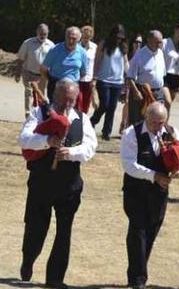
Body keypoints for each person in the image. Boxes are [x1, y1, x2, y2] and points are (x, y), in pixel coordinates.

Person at [18, 80, 97, 288]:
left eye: (71, 100)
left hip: (69, 185)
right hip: (41, 183)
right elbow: (25, 140)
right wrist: (47, 141)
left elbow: (90, 147)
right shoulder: (39, 113)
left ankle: (55, 279)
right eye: (63, 99)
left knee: (64, 232)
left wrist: (71, 153)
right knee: (36, 228)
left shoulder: (82, 119)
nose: (67, 104)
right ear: (55, 96)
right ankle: (28, 260)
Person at [120, 102, 179, 289]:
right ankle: (137, 279)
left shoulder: (171, 131)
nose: (158, 127)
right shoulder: (132, 133)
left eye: (161, 122)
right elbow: (129, 165)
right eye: (154, 123)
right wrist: (154, 176)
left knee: (151, 231)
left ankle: (137, 274)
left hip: (159, 193)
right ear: (146, 117)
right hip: (136, 191)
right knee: (138, 231)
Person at [91, 24, 128, 140]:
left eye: (120, 38)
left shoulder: (123, 47)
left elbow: (126, 63)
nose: (118, 40)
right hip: (103, 79)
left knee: (112, 107)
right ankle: (92, 121)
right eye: (117, 37)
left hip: (117, 81)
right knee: (104, 105)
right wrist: (94, 77)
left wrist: (131, 75)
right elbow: (97, 61)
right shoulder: (104, 44)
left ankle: (106, 132)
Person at [125, 30, 169, 126]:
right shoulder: (139, 55)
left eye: (160, 42)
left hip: (158, 92)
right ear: (149, 40)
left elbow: (162, 75)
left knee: (156, 121)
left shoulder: (161, 53)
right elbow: (130, 77)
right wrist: (136, 92)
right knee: (138, 122)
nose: (159, 44)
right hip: (141, 92)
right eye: (157, 42)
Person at [15, 24, 54, 118]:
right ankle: (28, 114)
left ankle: (39, 113)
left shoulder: (51, 45)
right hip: (28, 72)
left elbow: (53, 62)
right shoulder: (28, 43)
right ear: (37, 32)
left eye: (45, 34)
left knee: (41, 94)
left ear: (48, 33)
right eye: (41, 33)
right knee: (28, 93)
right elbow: (20, 59)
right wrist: (17, 73)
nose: (42, 35)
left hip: (43, 76)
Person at [39, 26, 87, 98]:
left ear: (79, 40)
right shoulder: (55, 49)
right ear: (65, 37)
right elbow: (43, 68)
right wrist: (51, 79)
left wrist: (73, 81)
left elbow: (83, 72)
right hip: (56, 85)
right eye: (69, 37)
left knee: (70, 108)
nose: (70, 41)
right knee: (54, 108)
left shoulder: (82, 52)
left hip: (73, 86)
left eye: (74, 39)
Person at [76, 25, 97, 114]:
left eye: (88, 37)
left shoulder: (95, 47)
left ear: (91, 37)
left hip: (89, 79)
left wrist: (95, 79)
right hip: (78, 78)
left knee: (86, 104)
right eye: (84, 36)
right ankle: (76, 123)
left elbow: (96, 63)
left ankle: (83, 122)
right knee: (78, 102)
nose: (86, 38)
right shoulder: (76, 47)